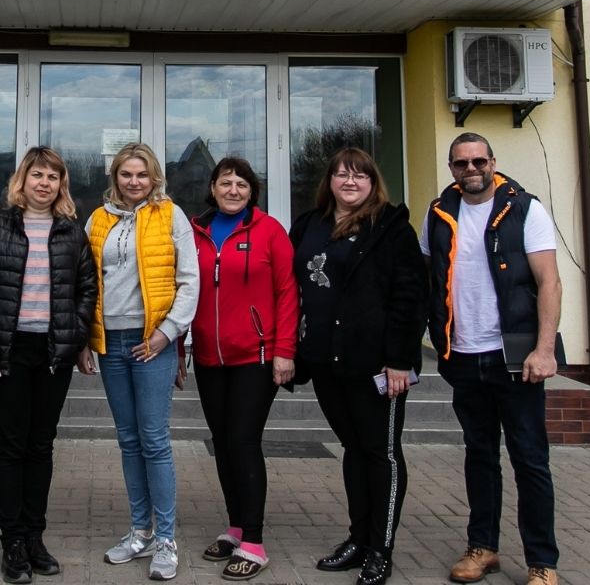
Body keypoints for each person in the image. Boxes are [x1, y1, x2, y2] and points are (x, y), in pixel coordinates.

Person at [423, 134, 563, 585]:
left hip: (516, 357)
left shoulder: (525, 208)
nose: (471, 169)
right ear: (452, 167)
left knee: (529, 459)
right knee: (479, 455)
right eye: (461, 162)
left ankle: (542, 561)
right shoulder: (439, 213)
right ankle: (483, 547)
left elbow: (550, 284)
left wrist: (543, 350)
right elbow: (429, 281)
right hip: (463, 355)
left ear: (492, 162)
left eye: (478, 160)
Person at [290, 147, 424, 585]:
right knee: (353, 449)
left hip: (377, 367)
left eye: (359, 176)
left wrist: (401, 361)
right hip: (328, 363)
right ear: (329, 181)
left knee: (380, 453)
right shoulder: (311, 225)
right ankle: (357, 539)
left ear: (373, 182)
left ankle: (381, 549)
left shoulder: (390, 229)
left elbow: (409, 298)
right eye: (341, 175)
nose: (350, 182)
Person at [0, 146, 97, 584]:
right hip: (8, 352)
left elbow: (86, 289)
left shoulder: (71, 232)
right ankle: (12, 542)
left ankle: (35, 537)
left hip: (52, 354)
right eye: (37, 175)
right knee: (11, 444)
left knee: (42, 445)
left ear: (62, 184)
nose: (44, 183)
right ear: (21, 180)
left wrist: (75, 335)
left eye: (53, 177)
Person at [80, 142, 200, 583]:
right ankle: (140, 531)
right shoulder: (97, 219)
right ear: (115, 177)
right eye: (126, 174)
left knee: (154, 438)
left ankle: (166, 538)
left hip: (154, 340)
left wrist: (166, 334)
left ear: (154, 179)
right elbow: (86, 283)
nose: (134, 182)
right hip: (111, 341)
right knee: (128, 439)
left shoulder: (172, 215)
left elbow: (190, 281)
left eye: (142, 175)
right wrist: (86, 340)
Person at [189, 157, 298, 582]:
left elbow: (288, 292)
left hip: (256, 356)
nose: (233, 190)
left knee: (243, 440)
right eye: (225, 183)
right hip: (208, 358)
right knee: (222, 442)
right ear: (212, 188)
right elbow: (182, 289)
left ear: (253, 191)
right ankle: (235, 528)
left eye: (241, 184)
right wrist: (181, 347)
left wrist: (285, 351)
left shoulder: (269, 230)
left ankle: (254, 541)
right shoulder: (195, 231)